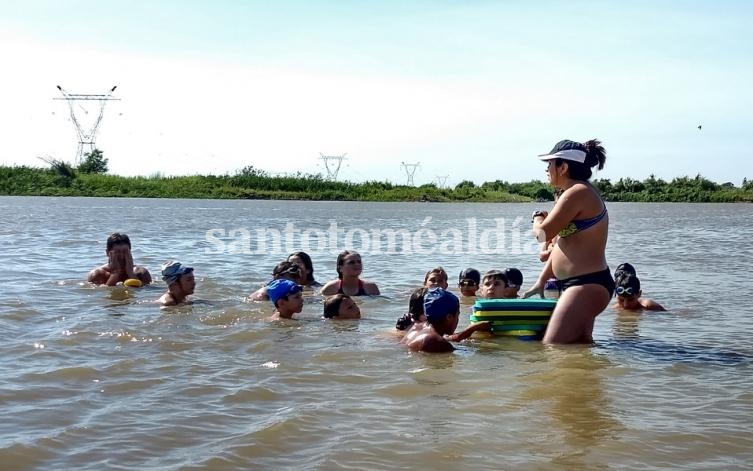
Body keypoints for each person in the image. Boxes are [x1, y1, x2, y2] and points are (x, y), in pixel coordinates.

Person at [523, 139, 613, 344]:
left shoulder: (578, 192)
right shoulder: (573, 193)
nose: (547, 169)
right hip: (581, 284)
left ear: (563, 167)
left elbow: (542, 235)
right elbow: (562, 245)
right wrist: (541, 281)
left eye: (550, 164)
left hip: (587, 284)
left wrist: (537, 219)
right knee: (579, 349)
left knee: (553, 347)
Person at [401, 288, 491, 353]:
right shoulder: (436, 342)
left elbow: (450, 338)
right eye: (457, 315)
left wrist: (474, 328)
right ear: (449, 317)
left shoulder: (418, 327)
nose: (457, 319)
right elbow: (463, 354)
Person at [87, 232, 152, 286]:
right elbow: (102, 294)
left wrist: (131, 274)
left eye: (125, 252)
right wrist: (114, 274)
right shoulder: (97, 274)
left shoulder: (142, 273)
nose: (121, 256)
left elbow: (145, 293)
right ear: (107, 253)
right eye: (117, 252)